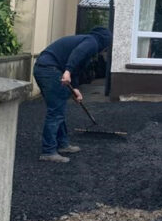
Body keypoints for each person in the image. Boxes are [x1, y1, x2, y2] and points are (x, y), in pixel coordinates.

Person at [33, 27, 113, 163]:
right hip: (49, 69)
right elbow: (77, 54)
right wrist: (67, 71)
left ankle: (62, 144)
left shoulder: (87, 42)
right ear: (104, 41)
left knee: (59, 108)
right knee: (56, 111)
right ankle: (48, 151)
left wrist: (75, 89)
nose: (105, 49)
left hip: (46, 68)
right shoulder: (92, 42)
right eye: (107, 46)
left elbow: (77, 68)